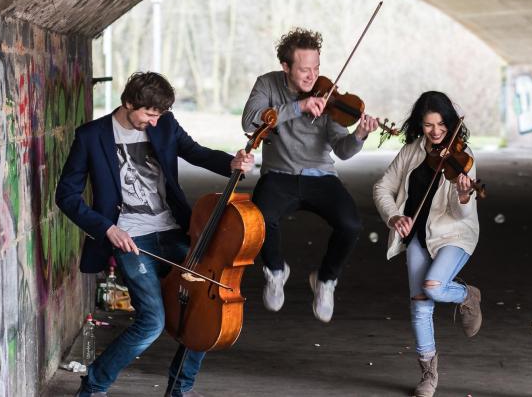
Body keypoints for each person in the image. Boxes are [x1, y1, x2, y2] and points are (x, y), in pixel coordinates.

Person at [56, 72, 254, 397]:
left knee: (205, 308)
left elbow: (197, 153)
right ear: (129, 102)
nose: (153, 121)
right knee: (151, 322)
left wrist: (232, 163)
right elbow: (66, 196)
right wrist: (107, 228)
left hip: (173, 230)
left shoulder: (165, 124)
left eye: (159, 115)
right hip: (130, 239)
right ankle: (93, 386)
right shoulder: (91, 137)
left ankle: (180, 389)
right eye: (148, 114)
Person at [240, 28, 378, 323]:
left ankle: (326, 280)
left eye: (316, 68)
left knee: (351, 224)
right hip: (280, 174)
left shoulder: (328, 96)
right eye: (303, 70)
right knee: (260, 217)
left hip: (321, 175)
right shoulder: (268, 84)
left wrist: (360, 135)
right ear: (286, 67)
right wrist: (298, 107)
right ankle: (276, 271)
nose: (312, 77)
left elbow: (343, 150)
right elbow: (250, 120)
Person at [372, 91, 482, 397]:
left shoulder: (463, 158)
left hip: (454, 234)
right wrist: (394, 217)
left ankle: (466, 295)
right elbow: (382, 187)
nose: (435, 132)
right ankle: (428, 374)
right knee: (420, 305)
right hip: (418, 235)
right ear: (420, 124)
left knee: (433, 287)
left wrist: (463, 195)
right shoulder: (411, 152)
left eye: (441, 125)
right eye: (428, 125)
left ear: (450, 123)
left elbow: (462, 213)